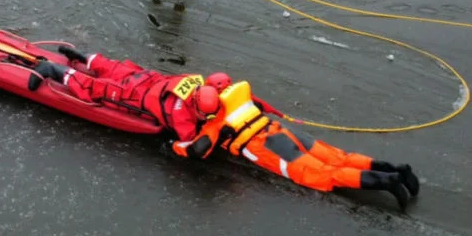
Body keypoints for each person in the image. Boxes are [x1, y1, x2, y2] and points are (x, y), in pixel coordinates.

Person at [168, 79, 420, 211]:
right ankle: (394, 169)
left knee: (321, 175)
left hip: (267, 147)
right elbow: (263, 106)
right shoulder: (242, 95)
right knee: (339, 157)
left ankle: (387, 182)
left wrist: (175, 145)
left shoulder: (216, 124)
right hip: (281, 131)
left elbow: (196, 151)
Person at [26, 45, 248, 142]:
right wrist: (220, 131)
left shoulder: (195, 80)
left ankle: (85, 57)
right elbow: (188, 138)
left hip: (148, 79)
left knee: (116, 68)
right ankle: (53, 70)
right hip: (135, 97)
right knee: (94, 89)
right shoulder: (182, 115)